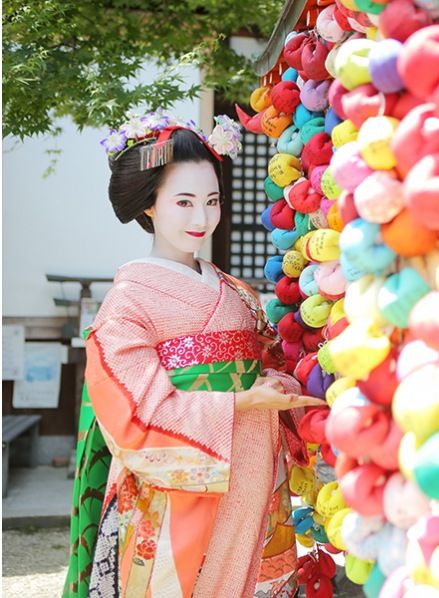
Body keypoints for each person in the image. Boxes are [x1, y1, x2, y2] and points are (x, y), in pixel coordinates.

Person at [63, 111, 324, 598]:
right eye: (183, 202)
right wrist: (242, 402)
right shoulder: (128, 301)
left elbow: (271, 365)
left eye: (212, 201)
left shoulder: (235, 291)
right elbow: (132, 412)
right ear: (149, 206)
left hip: (251, 470)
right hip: (177, 490)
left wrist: (289, 388)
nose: (201, 218)